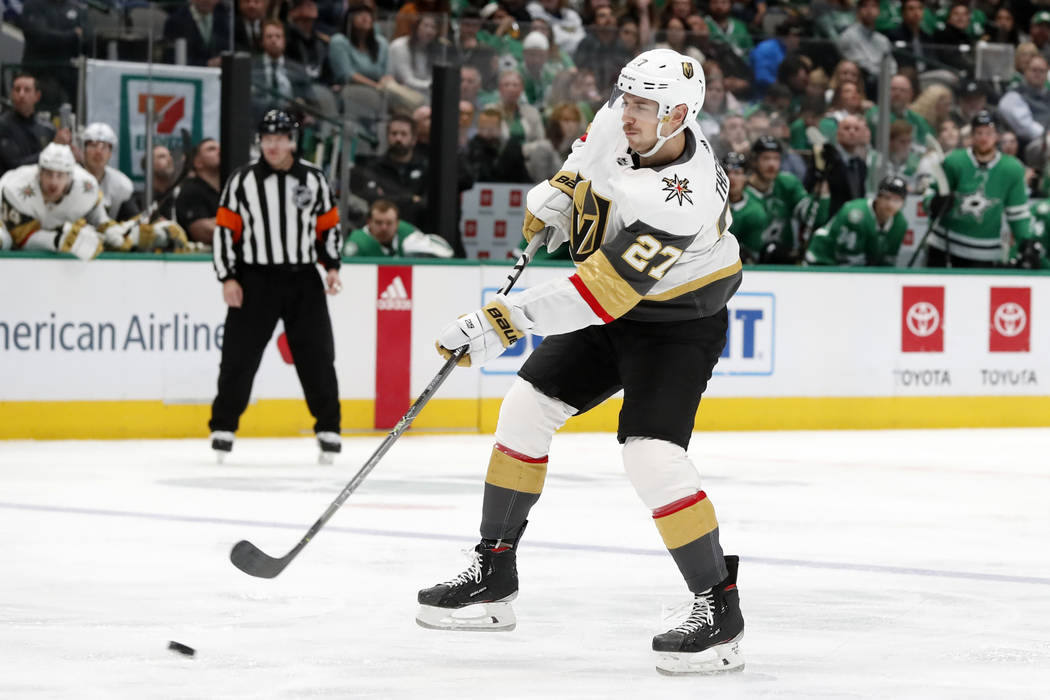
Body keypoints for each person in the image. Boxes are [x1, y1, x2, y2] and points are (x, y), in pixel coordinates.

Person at [417, 49, 745, 676]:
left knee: (650, 454)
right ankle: (493, 573)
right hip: (620, 307)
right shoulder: (624, 117)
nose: (629, 113)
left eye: (644, 106)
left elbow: (603, 293)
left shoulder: (684, 197)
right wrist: (562, 194)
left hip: (679, 323)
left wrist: (503, 321)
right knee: (524, 411)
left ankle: (718, 610)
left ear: (679, 115)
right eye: (627, 99)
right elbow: (585, 158)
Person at [209, 110, 344, 463]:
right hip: (256, 279)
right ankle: (223, 427)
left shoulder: (313, 179)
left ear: (292, 141)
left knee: (317, 355)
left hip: (303, 279)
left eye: (280, 138)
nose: (273, 144)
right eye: (267, 138)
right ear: (260, 141)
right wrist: (228, 277)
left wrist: (331, 267)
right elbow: (225, 231)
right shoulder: (242, 181)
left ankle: (329, 428)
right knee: (239, 356)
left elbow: (328, 226)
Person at [0, 144, 184, 259]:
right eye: (48, 174)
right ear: (39, 173)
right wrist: (57, 240)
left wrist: (116, 233)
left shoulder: (87, 187)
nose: (53, 182)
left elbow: (101, 222)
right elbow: (20, 239)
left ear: (70, 176)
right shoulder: (15, 187)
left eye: (60, 175)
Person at [923, 110, 1031, 267]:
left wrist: (1025, 241)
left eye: (989, 133)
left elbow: (1018, 213)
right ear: (972, 135)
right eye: (979, 133)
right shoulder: (954, 160)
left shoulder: (1012, 168)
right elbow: (931, 192)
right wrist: (934, 203)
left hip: (985, 250)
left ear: (997, 136)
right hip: (945, 243)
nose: (983, 138)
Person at [805, 175, 908, 265]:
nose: (890, 204)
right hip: (821, 261)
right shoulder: (856, 214)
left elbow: (887, 262)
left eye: (897, 200)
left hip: (852, 267)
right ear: (878, 197)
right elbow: (847, 259)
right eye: (887, 198)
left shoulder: (900, 224)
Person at [351, 115, 429, 225]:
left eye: (403, 134)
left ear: (414, 139)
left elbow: (426, 204)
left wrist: (389, 198)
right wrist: (411, 199)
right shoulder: (374, 167)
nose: (398, 138)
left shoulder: (425, 169)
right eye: (394, 133)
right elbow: (374, 200)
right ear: (387, 136)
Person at [343, 199, 453, 257]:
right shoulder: (357, 242)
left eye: (389, 223)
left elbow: (444, 253)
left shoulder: (408, 233)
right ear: (369, 222)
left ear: (397, 223)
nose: (384, 227)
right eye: (378, 222)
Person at [0, 73, 59, 176]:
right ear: (11, 94)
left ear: (37, 96)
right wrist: (52, 148)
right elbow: (14, 165)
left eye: (27, 90)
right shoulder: (3, 125)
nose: (21, 95)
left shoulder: (47, 128)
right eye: (17, 90)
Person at [80, 122, 139, 222]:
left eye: (104, 147)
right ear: (84, 150)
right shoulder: (70, 178)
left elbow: (133, 220)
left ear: (110, 153)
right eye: (93, 145)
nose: (98, 152)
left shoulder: (121, 184)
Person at [175, 138, 222, 244]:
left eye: (220, 148)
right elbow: (203, 232)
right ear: (198, 162)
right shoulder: (191, 191)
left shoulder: (231, 189)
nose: (219, 151)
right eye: (211, 149)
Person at [162, 0, 232, 67]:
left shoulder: (223, 19)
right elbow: (171, 59)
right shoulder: (175, 21)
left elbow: (227, 48)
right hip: (188, 75)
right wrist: (207, 64)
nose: (207, 0)